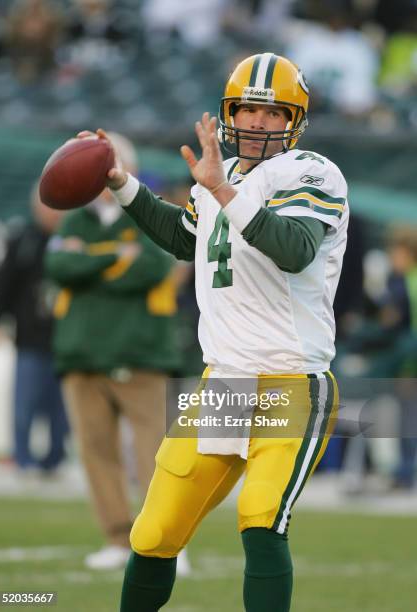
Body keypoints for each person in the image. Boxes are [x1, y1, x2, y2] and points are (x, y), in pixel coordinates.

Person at [79, 53, 349, 611]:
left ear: (294, 121)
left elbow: (296, 250)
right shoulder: (216, 178)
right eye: (247, 109)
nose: (255, 122)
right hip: (224, 383)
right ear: (229, 112)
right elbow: (186, 240)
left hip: (290, 382)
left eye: (271, 113)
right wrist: (121, 184)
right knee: (154, 533)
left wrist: (223, 191)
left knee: (260, 519)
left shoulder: (313, 172)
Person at [44, 133, 189, 572]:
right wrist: (113, 259)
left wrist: (91, 263)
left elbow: (149, 266)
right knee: (96, 452)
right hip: (82, 354)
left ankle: (166, 543)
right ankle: (115, 538)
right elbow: (58, 267)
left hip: (142, 352)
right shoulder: (74, 220)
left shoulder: (149, 213)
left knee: (157, 456)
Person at [0, 187, 68, 475]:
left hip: (64, 341)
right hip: (29, 338)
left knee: (59, 409)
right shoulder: (23, 240)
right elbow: (5, 284)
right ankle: (23, 460)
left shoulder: (70, 240)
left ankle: (55, 460)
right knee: (24, 405)